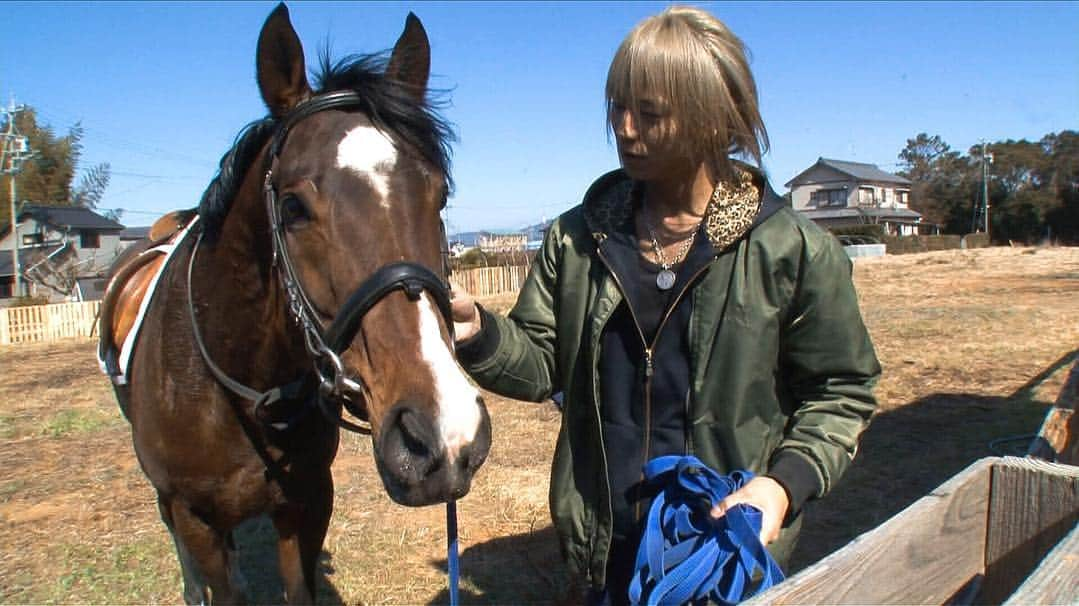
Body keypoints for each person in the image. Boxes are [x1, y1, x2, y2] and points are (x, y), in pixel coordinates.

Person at [450, 6, 880, 604]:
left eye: (650, 112)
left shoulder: (790, 249)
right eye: (616, 107)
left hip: (722, 555)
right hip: (602, 553)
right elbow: (542, 363)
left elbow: (841, 391)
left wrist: (781, 488)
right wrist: (478, 332)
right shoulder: (578, 238)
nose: (625, 128)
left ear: (713, 117)